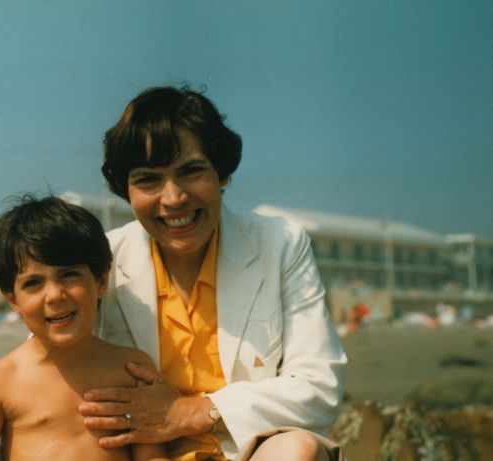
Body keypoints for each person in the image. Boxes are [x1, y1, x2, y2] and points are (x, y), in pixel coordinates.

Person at [78, 86, 348, 461]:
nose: (173, 199)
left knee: (297, 448)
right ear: (126, 189)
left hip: (253, 452)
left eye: (191, 171)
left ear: (222, 173)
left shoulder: (280, 242)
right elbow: (42, 366)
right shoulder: (100, 259)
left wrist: (191, 413)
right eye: (148, 179)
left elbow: (321, 388)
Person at [0, 195, 168, 461]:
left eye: (69, 275)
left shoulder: (132, 369)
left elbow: (152, 454)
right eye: (33, 283)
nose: (55, 295)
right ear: (13, 299)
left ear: (101, 281)